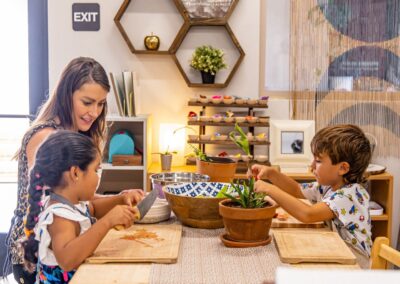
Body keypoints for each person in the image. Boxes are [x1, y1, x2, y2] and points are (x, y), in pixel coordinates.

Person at [4, 57, 144, 283]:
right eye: (87, 102)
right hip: (34, 259)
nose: (94, 112)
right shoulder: (45, 137)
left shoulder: (78, 133)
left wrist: (120, 199)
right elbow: (63, 207)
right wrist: (108, 218)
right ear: (66, 95)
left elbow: (78, 204)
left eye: (100, 104)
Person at [23, 130, 140, 283]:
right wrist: (107, 222)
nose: (98, 176)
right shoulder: (59, 217)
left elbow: (94, 208)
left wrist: (121, 198)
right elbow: (67, 260)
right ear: (75, 173)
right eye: (96, 170)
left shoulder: (70, 204)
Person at [250, 124, 372, 268]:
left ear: (343, 168)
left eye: (318, 161)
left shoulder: (349, 195)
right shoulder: (328, 186)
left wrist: (270, 189)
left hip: (355, 261)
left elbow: (307, 214)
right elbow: (296, 189)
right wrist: (272, 174)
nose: (312, 165)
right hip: (337, 251)